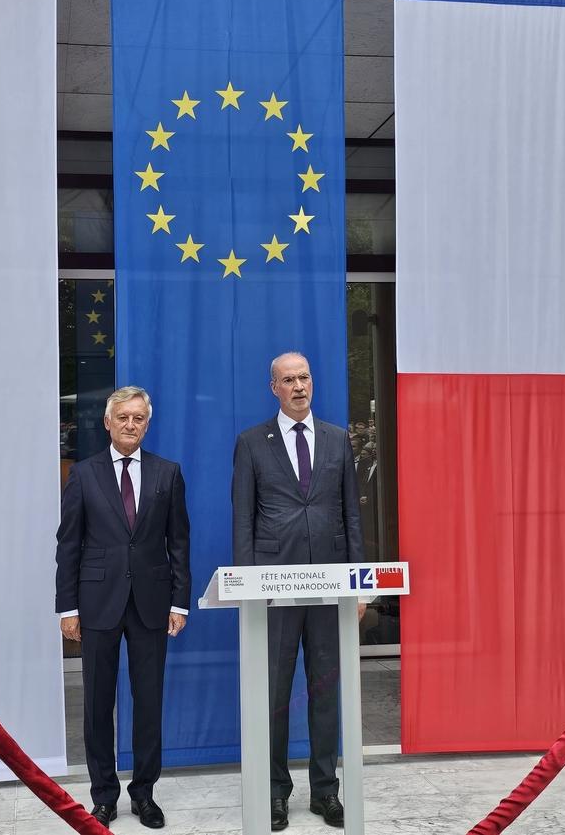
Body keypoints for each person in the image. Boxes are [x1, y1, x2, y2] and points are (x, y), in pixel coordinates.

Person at [232, 352, 364, 831]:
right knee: (274, 695)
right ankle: (274, 793)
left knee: (326, 691)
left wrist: (357, 584)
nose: (299, 386)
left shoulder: (337, 438)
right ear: (274, 388)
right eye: (288, 380)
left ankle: (325, 791)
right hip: (274, 588)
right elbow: (243, 519)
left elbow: (350, 514)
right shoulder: (251, 442)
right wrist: (249, 586)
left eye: (304, 377)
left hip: (330, 587)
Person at [55, 386, 191, 830]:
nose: (130, 424)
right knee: (97, 703)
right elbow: (69, 543)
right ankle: (104, 796)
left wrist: (180, 602)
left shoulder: (168, 473)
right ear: (107, 423)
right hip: (97, 603)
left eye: (138, 418)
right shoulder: (84, 474)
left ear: (147, 424)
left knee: (148, 702)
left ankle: (144, 794)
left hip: (152, 603)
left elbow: (179, 543)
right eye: (123, 417)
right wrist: (67, 607)